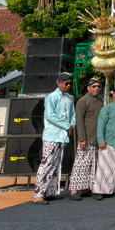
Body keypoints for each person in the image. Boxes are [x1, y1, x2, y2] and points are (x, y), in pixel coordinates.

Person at [33, 73, 75, 205]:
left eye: (70, 84)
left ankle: (49, 192)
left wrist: (71, 125)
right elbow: (50, 116)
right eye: (66, 83)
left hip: (63, 136)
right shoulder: (51, 97)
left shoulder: (69, 98)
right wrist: (66, 125)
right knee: (47, 163)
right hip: (52, 136)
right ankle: (38, 194)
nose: (68, 86)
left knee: (57, 164)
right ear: (59, 82)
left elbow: (72, 115)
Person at [69, 77, 103, 201]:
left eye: (98, 86)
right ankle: (73, 191)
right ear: (88, 88)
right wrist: (81, 139)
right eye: (94, 86)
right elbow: (79, 121)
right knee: (80, 165)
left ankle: (87, 189)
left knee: (94, 165)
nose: (96, 88)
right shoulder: (83, 101)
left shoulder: (100, 101)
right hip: (86, 139)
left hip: (96, 139)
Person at [93, 84, 115, 200]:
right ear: (113, 94)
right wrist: (100, 139)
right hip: (108, 142)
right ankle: (99, 191)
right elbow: (101, 124)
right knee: (104, 168)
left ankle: (113, 189)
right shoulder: (107, 108)